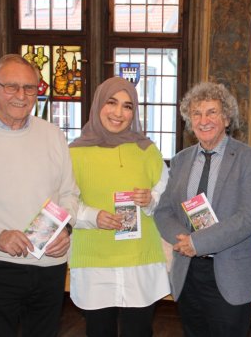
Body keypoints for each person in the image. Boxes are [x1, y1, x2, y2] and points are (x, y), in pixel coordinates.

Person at [0, 54, 80, 337]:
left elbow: (70, 193)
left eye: (29, 88)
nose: (21, 95)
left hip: (49, 265)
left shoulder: (53, 135)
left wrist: (65, 228)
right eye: (12, 87)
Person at [154, 82, 251, 336]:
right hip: (188, 272)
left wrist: (199, 242)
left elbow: (248, 218)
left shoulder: (250, 160)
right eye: (197, 113)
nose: (203, 120)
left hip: (230, 273)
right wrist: (184, 241)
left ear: (226, 118)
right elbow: (163, 212)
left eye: (212, 112)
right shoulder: (181, 160)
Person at [68, 77, 170, 337]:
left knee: (139, 330)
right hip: (94, 259)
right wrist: (93, 216)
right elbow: (62, 201)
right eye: (112, 103)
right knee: (99, 330)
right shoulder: (74, 153)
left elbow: (165, 192)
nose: (118, 113)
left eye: (127, 106)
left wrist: (151, 200)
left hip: (139, 259)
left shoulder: (147, 150)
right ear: (98, 104)